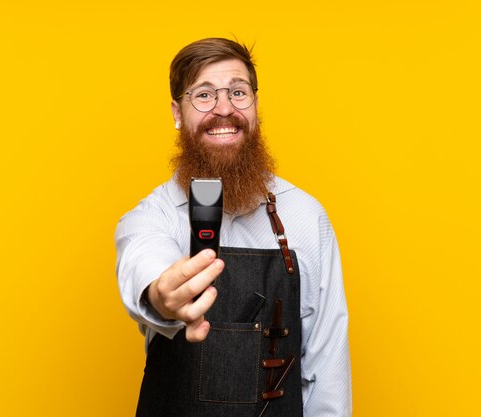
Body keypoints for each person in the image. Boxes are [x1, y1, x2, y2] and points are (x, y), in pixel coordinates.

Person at [115, 38, 351, 417]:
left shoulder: (306, 218)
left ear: (256, 106)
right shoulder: (153, 217)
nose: (224, 109)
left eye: (238, 92)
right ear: (177, 112)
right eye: (204, 95)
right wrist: (164, 297)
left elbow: (328, 371)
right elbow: (145, 264)